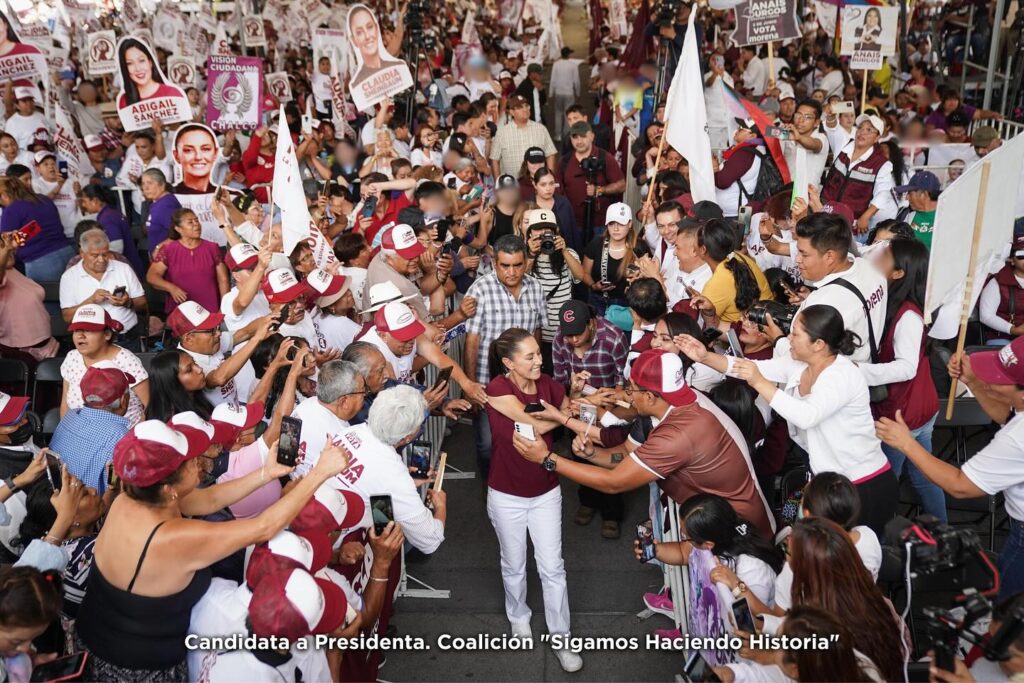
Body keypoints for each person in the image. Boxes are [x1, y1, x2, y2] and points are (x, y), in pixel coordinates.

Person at [73, 419, 351, 679]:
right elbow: (263, 528)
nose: (201, 463)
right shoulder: (171, 539)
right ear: (169, 486)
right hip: (134, 665)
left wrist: (266, 473)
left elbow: (210, 499)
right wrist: (319, 474)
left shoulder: (133, 498)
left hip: (97, 635)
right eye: (192, 461)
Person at [678, 305, 898, 536]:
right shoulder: (800, 365)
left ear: (818, 344)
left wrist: (759, 382)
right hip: (832, 486)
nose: (786, 338)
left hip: (863, 484)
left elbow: (807, 416)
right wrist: (705, 356)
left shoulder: (841, 375)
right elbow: (749, 367)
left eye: (795, 334)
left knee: (856, 562)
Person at [515, 349, 775, 537]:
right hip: (718, 519)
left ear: (650, 396)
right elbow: (625, 455)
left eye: (632, 389)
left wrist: (547, 459)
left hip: (741, 533)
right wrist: (593, 454)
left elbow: (614, 483)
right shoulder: (684, 401)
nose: (628, 396)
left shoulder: (678, 434)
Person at [876, 335, 1024, 598]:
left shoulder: (1016, 438)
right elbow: (1008, 418)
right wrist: (973, 382)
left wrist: (906, 444)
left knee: (1009, 619)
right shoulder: (1018, 422)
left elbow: (960, 485)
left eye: (1000, 378)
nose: (992, 380)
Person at [482, 328, 582, 672]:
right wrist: (558, 415)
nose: (540, 360)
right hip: (505, 494)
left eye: (539, 353)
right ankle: (518, 616)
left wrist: (573, 403)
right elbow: (533, 423)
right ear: (508, 363)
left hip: (546, 491)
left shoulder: (550, 384)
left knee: (553, 568)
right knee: (514, 564)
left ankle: (561, 636)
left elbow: (569, 411)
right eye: (530, 356)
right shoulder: (498, 388)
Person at [859, 238, 944, 522]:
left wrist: (858, 371)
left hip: (901, 413)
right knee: (923, 475)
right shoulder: (897, 303)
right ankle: (943, 533)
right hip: (918, 407)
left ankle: (879, 540)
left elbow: (906, 368)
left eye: (884, 256)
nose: (877, 258)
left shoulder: (908, 316)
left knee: (884, 482)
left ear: (899, 273)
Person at [464, 235, 546, 478]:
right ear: (494, 263)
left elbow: (537, 331)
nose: (511, 272)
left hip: (524, 384)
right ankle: (490, 490)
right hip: (487, 384)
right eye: (505, 266)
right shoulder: (480, 290)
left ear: (526, 263)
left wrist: (536, 372)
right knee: (488, 446)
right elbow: (472, 341)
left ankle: (518, 488)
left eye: (517, 265)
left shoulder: (536, 287)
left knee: (527, 439)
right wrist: (470, 385)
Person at [60, 304, 149, 427]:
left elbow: (149, 405)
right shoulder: (72, 358)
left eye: (88, 330)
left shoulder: (126, 360)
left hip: (125, 437)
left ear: (107, 334)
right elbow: (65, 404)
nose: (80, 336)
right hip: (82, 434)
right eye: (76, 330)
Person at [49, 365, 134, 493]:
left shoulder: (71, 415)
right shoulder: (121, 436)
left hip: (56, 497)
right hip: (92, 508)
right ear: (123, 400)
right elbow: (116, 490)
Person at [170, 301, 270, 408]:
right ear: (189, 339)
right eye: (211, 331)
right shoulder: (187, 364)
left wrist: (270, 318)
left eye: (217, 327)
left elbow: (244, 333)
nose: (218, 333)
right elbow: (219, 378)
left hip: (235, 410)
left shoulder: (211, 344)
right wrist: (256, 339)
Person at [60, 229, 146, 350]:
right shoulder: (70, 277)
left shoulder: (123, 269)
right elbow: (67, 317)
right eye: (95, 255)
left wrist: (127, 302)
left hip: (126, 341)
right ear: (82, 253)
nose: (101, 260)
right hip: (92, 345)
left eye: (105, 254)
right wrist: (91, 301)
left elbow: (142, 303)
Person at [522, 209, 585, 370]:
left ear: (556, 232)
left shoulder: (568, 253)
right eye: (538, 229)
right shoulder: (523, 256)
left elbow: (580, 276)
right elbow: (519, 279)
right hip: (535, 333)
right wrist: (530, 254)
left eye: (547, 230)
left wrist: (563, 250)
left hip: (563, 332)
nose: (543, 234)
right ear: (529, 233)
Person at [820, 114, 896, 237]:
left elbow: (882, 193)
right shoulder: (844, 146)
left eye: (869, 130)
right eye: (860, 128)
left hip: (851, 223)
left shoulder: (881, 164)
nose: (862, 132)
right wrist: (831, 115)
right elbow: (833, 129)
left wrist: (865, 217)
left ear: (877, 138)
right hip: (825, 213)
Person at [147, 208, 228, 314]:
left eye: (196, 220)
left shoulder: (212, 248)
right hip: (181, 312)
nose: (196, 224)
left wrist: (224, 308)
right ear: (178, 229)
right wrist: (171, 288)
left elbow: (223, 279)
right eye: (190, 222)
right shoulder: (169, 250)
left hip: (210, 309)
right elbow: (152, 276)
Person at [693, 218, 772, 326]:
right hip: (767, 321)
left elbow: (708, 328)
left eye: (694, 241)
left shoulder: (717, 284)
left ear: (703, 250)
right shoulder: (739, 257)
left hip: (746, 335)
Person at [559, 121, 626, 241]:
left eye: (583, 136)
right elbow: (558, 190)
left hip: (599, 224)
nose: (579, 141)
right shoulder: (564, 161)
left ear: (592, 136)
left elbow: (621, 185)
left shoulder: (604, 157)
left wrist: (599, 190)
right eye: (575, 137)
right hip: (572, 223)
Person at [0, 176, 74, 281]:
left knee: (46, 296)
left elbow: (5, 245)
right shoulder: (44, 199)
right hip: (68, 254)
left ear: (4, 195)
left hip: (41, 263)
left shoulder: (12, 210)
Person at [0, 232, 58, 362]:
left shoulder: (12, 271)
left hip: (45, 345)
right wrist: (7, 249)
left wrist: (10, 244)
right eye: (2, 247)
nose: (8, 249)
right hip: (20, 351)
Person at [581, 203, 646, 313]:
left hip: (630, 305)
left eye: (620, 223)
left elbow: (648, 279)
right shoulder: (597, 243)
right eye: (611, 224)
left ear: (630, 224)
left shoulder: (639, 247)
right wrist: (594, 286)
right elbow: (584, 273)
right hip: (599, 302)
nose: (615, 228)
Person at [77, 185, 145, 275]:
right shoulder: (111, 212)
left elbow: (117, 247)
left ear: (94, 201)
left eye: (85, 201)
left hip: (126, 269)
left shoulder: (107, 218)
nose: (83, 205)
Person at [490, 95, 557, 178]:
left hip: (537, 184)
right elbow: (494, 159)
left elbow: (550, 154)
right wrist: (498, 183)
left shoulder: (540, 129)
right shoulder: (502, 132)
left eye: (526, 106)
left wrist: (550, 177)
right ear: (511, 112)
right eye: (520, 107)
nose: (525, 109)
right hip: (511, 185)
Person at [979, 234, 1024, 343]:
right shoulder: (997, 283)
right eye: (1021, 254)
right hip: (1003, 337)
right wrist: (1012, 329)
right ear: (1012, 260)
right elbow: (986, 316)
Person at [116, 37, 185, 107]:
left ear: (150, 62)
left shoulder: (173, 93)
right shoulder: (124, 100)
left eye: (141, 61)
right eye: (129, 63)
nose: (138, 68)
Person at [347, 5, 405, 86]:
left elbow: (397, 36)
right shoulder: (385, 55)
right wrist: (404, 8)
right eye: (384, 34)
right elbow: (398, 35)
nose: (385, 35)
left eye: (388, 33)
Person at [893, 170, 939, 249]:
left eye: (910, 193)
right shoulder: (904, 214)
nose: (907, 198)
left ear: (924, 194)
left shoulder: (947, 216)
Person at [140, 168, 182, 253]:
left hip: (169, 257)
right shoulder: (157, 203)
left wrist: (159, 247)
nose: (145, 188)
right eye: (143, 183)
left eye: (150, 183)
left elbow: (178, 232)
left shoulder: (166, 205)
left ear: (162, 185)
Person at [171, 123, 220, 194]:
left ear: (215, 153)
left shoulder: (231, 196)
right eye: (188, 150)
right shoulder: (168, 196)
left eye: (205, 149)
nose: (198, 157)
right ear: (176, 155)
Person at [549, 47, 581, 140]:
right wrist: (578, 93)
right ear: (569, 55)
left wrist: (551, 94)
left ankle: (557, 135)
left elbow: (553, 80)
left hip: (558, 92)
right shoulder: (573, 65)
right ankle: (566, 134)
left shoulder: (556, 64)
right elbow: (576, 81)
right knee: (568, 114)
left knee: (558, 113)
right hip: (569, 93)